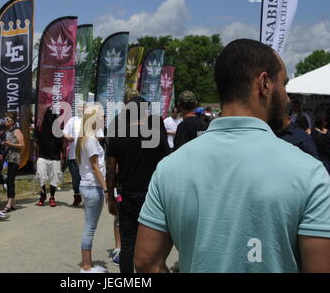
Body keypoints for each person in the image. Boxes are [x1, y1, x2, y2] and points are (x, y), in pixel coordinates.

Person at [135, 39, 330, 273]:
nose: (287, 98)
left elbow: (146, 262)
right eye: (284, 84)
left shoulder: (169, 168)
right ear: (265, 83)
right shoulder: (310, 173)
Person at [106, 96, 170, 273]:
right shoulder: (155, 133)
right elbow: (167, 163)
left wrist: (110, 197)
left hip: (126, 195)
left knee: (128, 243)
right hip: (153, 196)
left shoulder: (117, 134)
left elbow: (110, 170)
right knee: (155, 245)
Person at [76, 104, 108, 273]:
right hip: (92, 187)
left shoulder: (85, 138)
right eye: (102, 116)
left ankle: (87, 264)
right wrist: (106, 189)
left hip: (87, 185)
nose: (104, 119)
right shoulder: (91, 140)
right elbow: (95, 167)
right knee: (90, 227)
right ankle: (87, 267)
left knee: (89, 226)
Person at [63, 102, 105, 207]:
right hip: (75, 154)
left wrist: (92, 142)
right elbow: (64, 132)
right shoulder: (73, 120)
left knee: (87, 174)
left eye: (83, 107)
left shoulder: (91, 124)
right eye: (79, 107)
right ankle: (77, 196)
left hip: (89, 154)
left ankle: (85, 197)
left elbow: (100, 135)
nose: (81, 109)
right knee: (76, 177)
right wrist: (67, 137)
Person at [34, 107, 64, 207]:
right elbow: (36, 143)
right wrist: (35, 157)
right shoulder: (40, 128)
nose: (50, 116)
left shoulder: (58, 129)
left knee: (54, 178)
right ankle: (42, 195)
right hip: (42, 156)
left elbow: (62, 145)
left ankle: (52, 197)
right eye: (49, 113)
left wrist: (63, 157)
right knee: (41, 175)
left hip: (55, 157)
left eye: (53, 114)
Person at [0, 112, 24, 213]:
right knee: (6, 180)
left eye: (7, 119)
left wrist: (10, 144)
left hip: (14, 159)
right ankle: (13, 203)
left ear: (12, 121)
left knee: (10, 180)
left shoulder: (16, 131)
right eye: (5, 119)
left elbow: (22, 145)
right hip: (6, 159)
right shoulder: (5, 131)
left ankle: (9, 203)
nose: (5, 121)